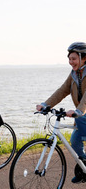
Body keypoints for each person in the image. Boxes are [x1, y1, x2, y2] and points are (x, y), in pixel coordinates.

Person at [36, 42, 86, 184]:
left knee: (81, 126)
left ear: (84, 58)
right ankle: (84, 167)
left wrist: (78, 111)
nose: (71, 62)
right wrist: (46, 104)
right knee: (75, 141)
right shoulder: (74, 74)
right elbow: (62, 90)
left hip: (83, 113)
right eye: (69, 59)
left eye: (74, 58)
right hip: (82, 114)